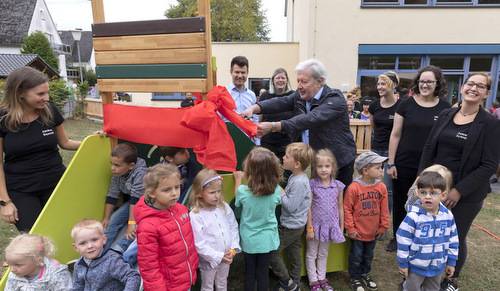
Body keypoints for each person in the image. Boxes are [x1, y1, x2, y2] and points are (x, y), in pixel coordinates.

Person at [418, 72, 500, 291]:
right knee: (431, 233)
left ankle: (451, 280)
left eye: (480, 86)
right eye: (470, 84)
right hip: (434, 188)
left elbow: (489, 165)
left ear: (487, 93)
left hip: (466, 194)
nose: (474, 88)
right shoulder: (446, 114)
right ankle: (427, 276)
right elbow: (428, 148)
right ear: (463, 87)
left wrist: (458, 191)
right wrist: (421, 178)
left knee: (454, 235)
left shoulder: (490, 124)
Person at [240, 59, 357, 187]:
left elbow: (311, 119)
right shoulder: (300, 96)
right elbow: (281, 102)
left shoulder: (334, 99)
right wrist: (254, 108)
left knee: (339, 200)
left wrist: (274, 126)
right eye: (298, 81)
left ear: (319, 82)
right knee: (318, 198)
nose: (299, 86)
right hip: (318, 161)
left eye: (304, 82)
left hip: (338, 160)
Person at [0, 66, 82, 232]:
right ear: (19, 92)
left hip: (56, 185)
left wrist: (93, 141)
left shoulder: (50, 111)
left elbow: (64, 143)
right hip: (22, 191)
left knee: (64, 233)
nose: (46, 98)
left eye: (47, 92)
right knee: (34, 242)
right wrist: (5, 202)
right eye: (40, 94)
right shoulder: (2, 118)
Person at [386, 65, 451, 253]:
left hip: (431, 166)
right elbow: (395, 134)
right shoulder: (405, 104)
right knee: (401, 202)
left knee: (427, 201)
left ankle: (420, 237)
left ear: (437, 84)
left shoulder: (444, 107)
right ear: (417, 82)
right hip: (404, 162)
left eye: (430, 81)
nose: (425, 85)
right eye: (422, 81)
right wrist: (391, 162)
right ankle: (398, 237)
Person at [396, 171, 459, 291]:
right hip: (416, 266)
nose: (428, 196)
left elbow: (453, 240)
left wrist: (451, 262)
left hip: (438, 266)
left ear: (443, 195)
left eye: (433, 193)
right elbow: (402, 240)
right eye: (423, 192)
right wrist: (403, 263)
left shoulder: (448, 216)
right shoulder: (412, 217)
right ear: (418, 193)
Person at [233, 147, 283, 291]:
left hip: (250, 239)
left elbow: (237, 198)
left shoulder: (243, 191)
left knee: (250, 272)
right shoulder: (275, 191)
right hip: (268, 240)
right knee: (263, 273)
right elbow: (280, 197)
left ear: (250, 171)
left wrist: (238, 179)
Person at [270, 142, 314, 290]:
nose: (283, 157)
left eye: (287, 156)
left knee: (272, 252)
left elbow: (290, 206)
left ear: (297, 164)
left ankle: (286, 281)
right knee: (294, 256)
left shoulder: (300, 182)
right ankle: (295, 284)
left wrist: (280, 190)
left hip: (290, 226)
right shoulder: (295, 178)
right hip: (296, 225)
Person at [344, 151, 390, 291]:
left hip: (373, 231)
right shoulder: (354, 188)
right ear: (365, 170)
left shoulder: (381, 187)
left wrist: (383, 227)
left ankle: (365, 274)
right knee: (356, 257)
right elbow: (347, 210)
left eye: (382, 167)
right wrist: (350, 229)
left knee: (368, 256)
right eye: (378, 167)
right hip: (358, 232)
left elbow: (385, 209)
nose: (382, 170)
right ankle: (355, 277)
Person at [189, 168, 241, 291]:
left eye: (218, 191)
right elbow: (199, 244)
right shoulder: (196, 215)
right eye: (212, 192)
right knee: (207, 286)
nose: (217, 195)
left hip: (227, 256)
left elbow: (233, 227)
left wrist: (232, 249)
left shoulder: (224, 207)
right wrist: (218, 256)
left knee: (222, 284)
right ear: (200, 192)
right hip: (209, 261)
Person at [306, 149, 346, 291]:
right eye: (320, 166)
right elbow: (308, 207)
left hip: (330, 227)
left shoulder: (338, 185)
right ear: (314, 168)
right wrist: (309, 227)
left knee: (323, 253)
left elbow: (340, 207)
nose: (323, 170)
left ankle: (322, 279)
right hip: (315, 226)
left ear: (333, 167)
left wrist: (340, 227)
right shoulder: (311, 184)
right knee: (311, 253)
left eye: (327, 166)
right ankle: (313, 281)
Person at [101, 142, 148, 252]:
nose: (112, 168)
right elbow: (112, 194)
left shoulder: (140, 173)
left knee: (134, 228)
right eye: (111, 163)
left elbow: (136, 200)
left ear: (131, 166)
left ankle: (118, 251)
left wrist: (131, 223)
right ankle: (101, 249)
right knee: (113, 219)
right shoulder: (118, 173)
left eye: (117, 165)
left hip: (147, 204)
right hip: (133, 203)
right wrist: (106, 217)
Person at [368, 71, 401, 223]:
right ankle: (372, 218)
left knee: (388, 190)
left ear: (394, 86)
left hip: (392, 152)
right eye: (379, 84)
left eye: (384, 84)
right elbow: (374, 127)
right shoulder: (374, 105)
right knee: (372, 186)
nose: (380, 87)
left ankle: (384, 222)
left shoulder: (401, 105)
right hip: (376, 150)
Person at [71, 218, 141, 291]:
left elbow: (132, 276)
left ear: (104, 239)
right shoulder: (78, 265)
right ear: (76, 247)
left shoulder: (112, 260)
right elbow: (78, 287)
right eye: (83, 243)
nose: (90, 246)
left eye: (94, 240)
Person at [5, 234, 72, 290]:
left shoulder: (56, 275)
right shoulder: (15, 275)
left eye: (18, 265)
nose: (12, 269)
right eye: (10, 264)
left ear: (38, 261)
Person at [258, 68, 295, 161]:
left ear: (287, 80)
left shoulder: (293, 96)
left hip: (286, 141)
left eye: (283, 78)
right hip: (268, 141)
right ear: (273, 81)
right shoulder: (265, 96)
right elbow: (260, 118)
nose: (280, 80)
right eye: (278, 78)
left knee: (286, 169)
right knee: (268, 168)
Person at [225, 56, 258, 125]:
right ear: (231, 72)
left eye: (243, 72)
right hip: (229, 135)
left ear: (247, 73)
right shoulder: (224, 93)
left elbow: (255, 118)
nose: (240, 76)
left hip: (247, 135)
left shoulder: (251, 95)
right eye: (237, 72)